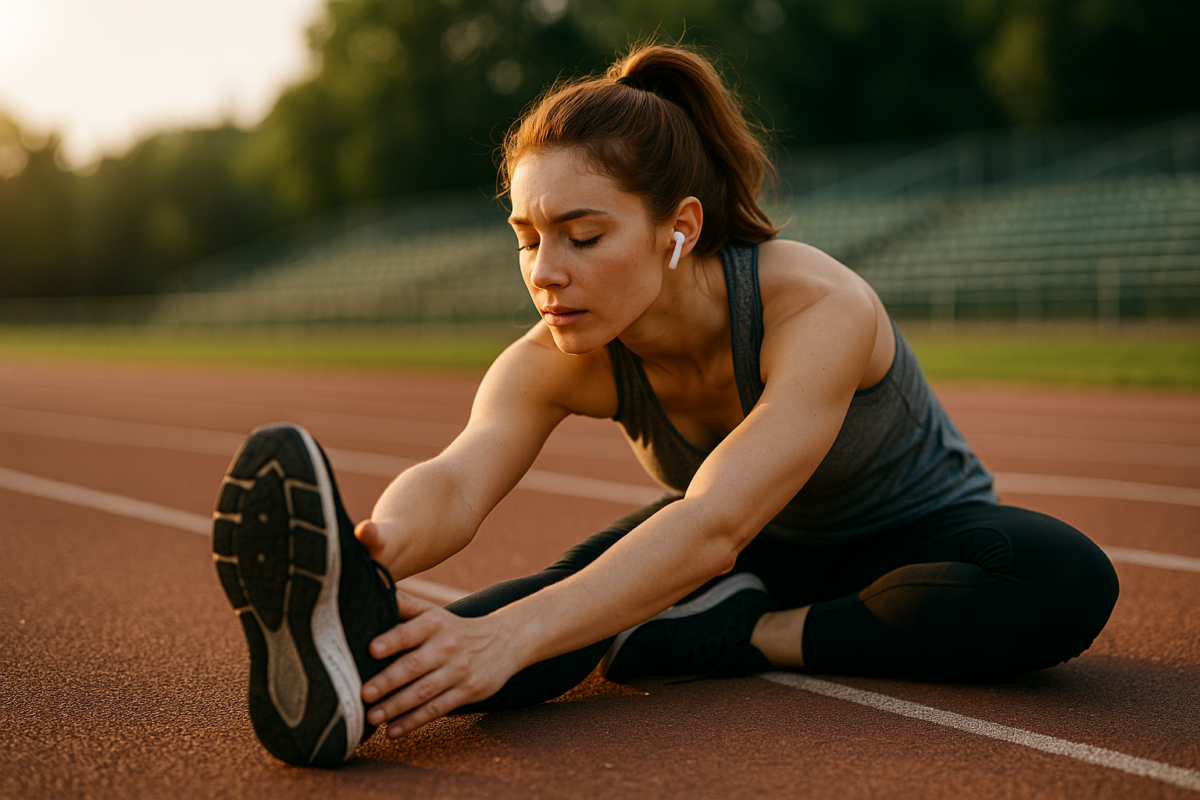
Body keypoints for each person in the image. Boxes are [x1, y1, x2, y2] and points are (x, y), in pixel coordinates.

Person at [212, 42, 1120, 768]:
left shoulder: (814, 305)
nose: (544, 272)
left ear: (678, 229)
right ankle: (350, 682)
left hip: (914, 539)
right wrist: (371, 551)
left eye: (582, 234)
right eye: (526, 238)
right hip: (735, 544)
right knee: (541, 610)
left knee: (1064, 577)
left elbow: (716, 523)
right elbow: (457, 479)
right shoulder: (560, 352)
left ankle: (743, 634)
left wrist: (519, 634)